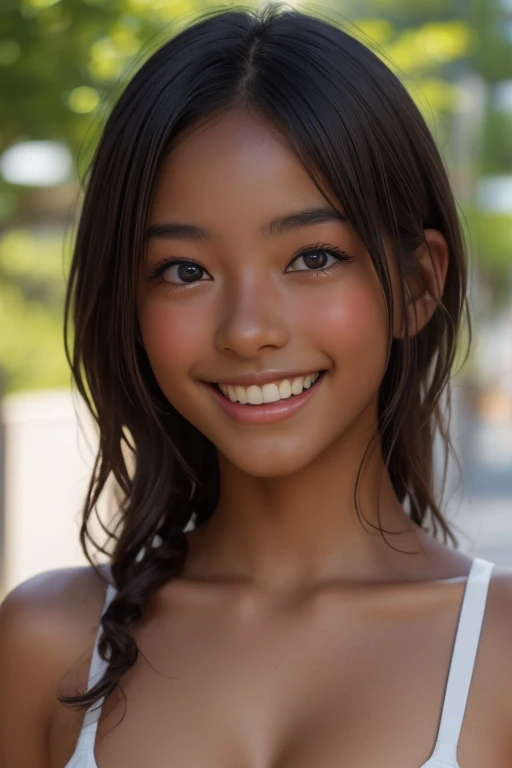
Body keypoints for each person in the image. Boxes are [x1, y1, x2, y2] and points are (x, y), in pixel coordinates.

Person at [1, 4, 511, 767]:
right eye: (185, 270)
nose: (247, 329)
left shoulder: (501, 651)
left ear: (416, 282)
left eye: (312, 258)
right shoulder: (44, 641)